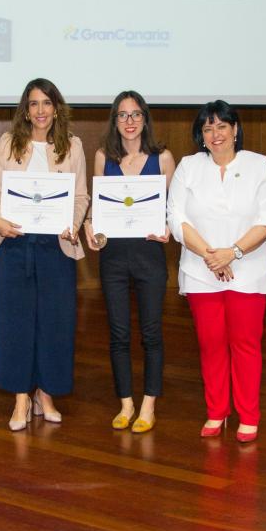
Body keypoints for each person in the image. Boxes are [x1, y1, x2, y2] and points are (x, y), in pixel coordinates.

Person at [167, 100, 266, 443]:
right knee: (211, 344)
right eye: (207, 128)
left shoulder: (259, 166)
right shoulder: (188, 167)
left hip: (248, 270)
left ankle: (248, 415)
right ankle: (216, 412)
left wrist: (231, 253)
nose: (215, 134)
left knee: (245, 345)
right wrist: (210, 256)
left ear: (235, 129)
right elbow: (177, 218)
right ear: (200, 136)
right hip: (201, 270)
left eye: (221, 126)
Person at [0, 78, 89, 431]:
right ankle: (20, 398)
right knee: (14, 323)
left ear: (57, 108)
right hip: (13, 244)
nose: (41, 110)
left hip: (56, 247)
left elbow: (80, 198)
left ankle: (46, 393)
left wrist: (73, 225)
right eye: (34, 104)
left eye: (47, 103)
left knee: (55, 324)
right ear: (25, 110)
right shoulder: (7, 143)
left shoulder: (73, 147)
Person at [83, 91, 175, 433]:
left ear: (145, 119)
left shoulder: (162, 157)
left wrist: (168, 226)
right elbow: (96, 207)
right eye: (123, 115)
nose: (130, 121)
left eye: (136, 114)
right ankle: (126, 403)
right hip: (114, 258)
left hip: (150, 255)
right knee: (118, 334)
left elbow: (173, 209)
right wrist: (90, 225)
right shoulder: (102, 156)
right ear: (114, 121)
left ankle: (149, 404)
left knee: (151, 333)